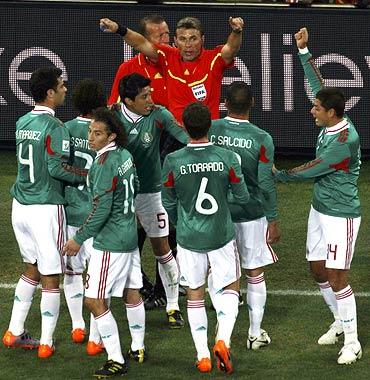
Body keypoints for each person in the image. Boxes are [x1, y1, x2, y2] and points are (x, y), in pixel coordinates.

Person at [274, 27, 362, 365]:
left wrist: (279, 174)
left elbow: (313, 168)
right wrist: (303, 51)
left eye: (316, 108)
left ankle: (352, 342)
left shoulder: (344, 141)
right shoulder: (331, 119)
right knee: (316, 268)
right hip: (320, 208)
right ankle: (339, 320)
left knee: (339, 276)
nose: (311, 110)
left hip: (341, 214)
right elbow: (317, 86)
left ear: (332, 113)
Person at [2, 67, 87, 359]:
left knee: (32, 268)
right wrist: (87, 175)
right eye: (62, 85)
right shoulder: (56, 128)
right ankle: (47, 342)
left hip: (20, 206)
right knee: (52, 275)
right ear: (50, 92)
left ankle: (14, 331)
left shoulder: (21, 121)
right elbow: (56, 168)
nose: (65, 89)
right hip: (45, 207)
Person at [161, 102, 250, 374]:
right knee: (230, 288)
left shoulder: (173, 161)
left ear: (185, 128)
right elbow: (243, 196)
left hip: (189, 238)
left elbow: (168, 201)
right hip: (221, 235)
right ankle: (222, 339)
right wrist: (224, 205)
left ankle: (202, 356)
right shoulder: (227, 157)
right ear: (209, 126)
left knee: (195, 294)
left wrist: (181, 222)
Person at [63, 107, 146, 377]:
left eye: (97, 133)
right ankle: (138, 347)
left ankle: (116, 359)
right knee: (132, 292)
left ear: (111, 135)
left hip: (111, 242)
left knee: (95, 300)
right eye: (90, 131)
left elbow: (100, 210)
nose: (91, 138)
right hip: (129, 235)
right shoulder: (125, 155)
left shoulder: (102, 165)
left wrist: (78, 238)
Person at [112, 73, 188, 328]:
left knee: (162, 249)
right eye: (145, 96)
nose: (151, 100)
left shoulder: (158, 115)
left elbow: (186, 137)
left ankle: (173, 305)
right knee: (122, 249)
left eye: (151, 94)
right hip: (121, 195)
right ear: (128, 100)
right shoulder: (112, 117)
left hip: (151, 193)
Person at [209, 81, 280, 350]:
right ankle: (254, 332)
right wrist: (272, 219)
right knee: (254, 272)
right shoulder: (262, 138)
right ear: (252, 103)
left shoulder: (211, 128)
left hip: (217, 214)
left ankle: (222, 328)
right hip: (251, 214)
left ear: (225, 103)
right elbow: (265, 183)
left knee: (219, 271)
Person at [99, 15, 244, 123]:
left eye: (193, 38)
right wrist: (119, 29)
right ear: (175, 41)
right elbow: (140, 43)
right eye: (183, 39)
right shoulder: (167, 57)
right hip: (175, 135)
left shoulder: (214, 59)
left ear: (202, 40)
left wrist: (236, 31)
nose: (188, 45)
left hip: (207, 132)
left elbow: (231, 48)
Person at [63, 79, 107, 351]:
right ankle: (95, 338)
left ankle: (77, 325)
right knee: (98, 278)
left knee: (72, 273)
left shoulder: (64, 129)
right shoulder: (105, 131)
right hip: (96, 217)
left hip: (70, 213)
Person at [108, 13, 170, 107]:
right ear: (144, 40)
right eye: (160, 36)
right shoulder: (128, 68)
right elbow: (115, 107)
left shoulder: (179, 61)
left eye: (167, 34)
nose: (166, 40)